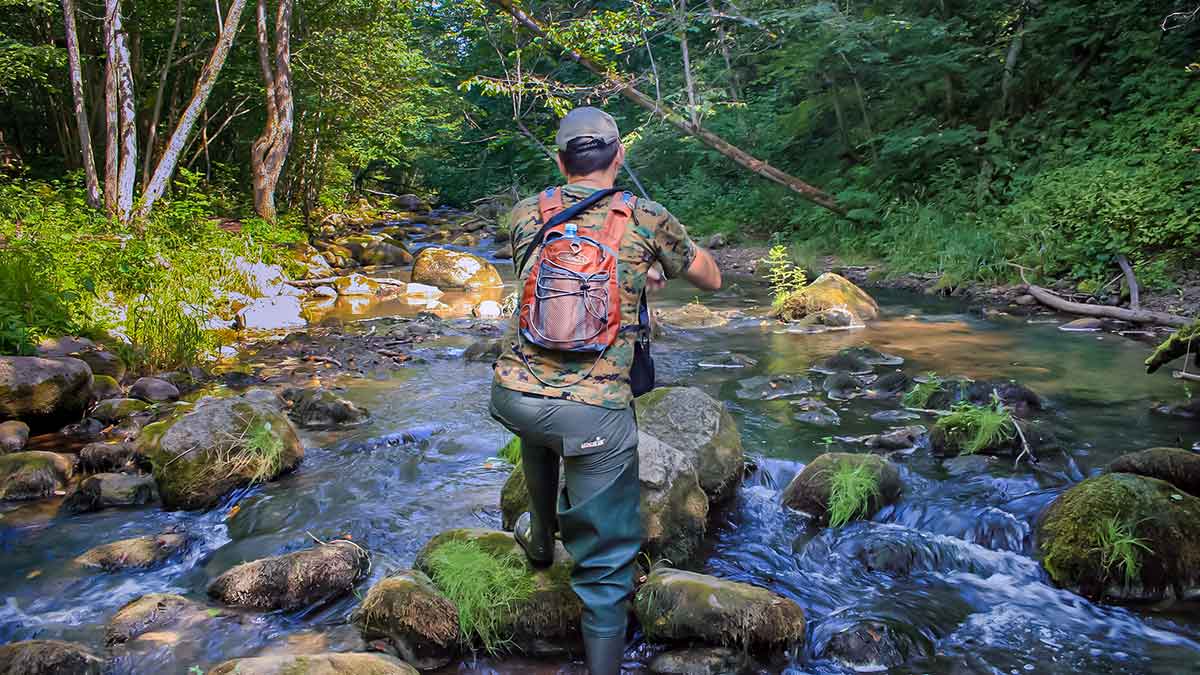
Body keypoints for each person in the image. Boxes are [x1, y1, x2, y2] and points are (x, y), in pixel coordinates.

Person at [488, 106, 721, 674]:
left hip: (514, 395)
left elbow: (548, 274)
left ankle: (542, 538)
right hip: (594, 413)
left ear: (560, 159)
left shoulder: (527, 212)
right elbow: (711, 277)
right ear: (619, 156)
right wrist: (652, 262)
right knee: (607, 568)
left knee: (542, 422)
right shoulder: (646, 216)